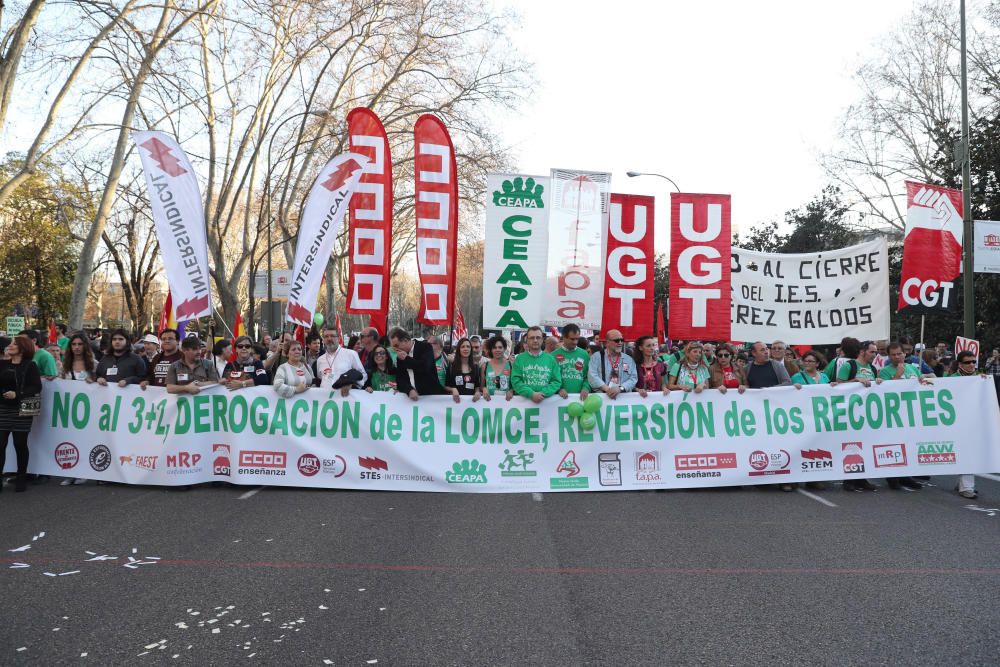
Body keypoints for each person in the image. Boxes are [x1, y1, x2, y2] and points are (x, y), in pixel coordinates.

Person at [0, 335, 42, 492]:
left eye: (14, 344)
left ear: (23, 348)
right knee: (0, 445)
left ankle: (21, 477)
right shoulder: (2, 364)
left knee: (20, 444)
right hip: (3, 408)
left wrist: (17, 393)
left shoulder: (30, 365)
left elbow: (36, 387)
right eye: (10, 343)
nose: (10, 346)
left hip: (22, 409)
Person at [946, 350, 982, 498]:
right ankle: (966, 487)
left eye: (974, 362)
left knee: (970, 452)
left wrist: (984, 381)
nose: (972, 365)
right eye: (968, 362)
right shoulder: (952, 379)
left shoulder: (979, 379)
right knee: (965, 452)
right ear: (960, 364)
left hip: (974, 421)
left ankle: (963, 483)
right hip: (956, 422)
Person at [389, 327, 448, 399]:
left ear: (405, 340)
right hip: (411, 399)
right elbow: (401, 379)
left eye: (396, 346)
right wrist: (409, 390)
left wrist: (406, 359)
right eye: (393, 347)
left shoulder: (425, 347)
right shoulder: (400, 356)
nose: (395, 349)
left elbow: (424, 368)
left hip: (430, 397)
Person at [510, 326, 562, 403]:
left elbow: (556, 381)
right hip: (523, 405)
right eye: (532, 338)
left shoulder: (551, 359)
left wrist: (543, 393)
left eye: (538, 337)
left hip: (546, 403)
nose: (535, 340)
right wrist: (531, 394)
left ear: (542, 340)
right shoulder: (519, 359)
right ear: (527, 340)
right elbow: (515, 381)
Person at [313, 325, 366, 396]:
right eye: (326, 336)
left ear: (338, 338)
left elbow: (363, 375)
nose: (329, 339)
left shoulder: (351, 354)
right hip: (325, 401)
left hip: (345, 399)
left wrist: (351, 385)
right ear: (323, 339)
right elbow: (320, 378)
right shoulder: (320, 360)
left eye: (332, 336)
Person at [588, 328, 637, 398]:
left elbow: (633, 378)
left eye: (621, 340)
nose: (620, 343)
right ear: (607, 342)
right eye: (616, 340)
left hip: (623, 399)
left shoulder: (628, 359)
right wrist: (608, 389)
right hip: (602, 398)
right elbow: (592, 376)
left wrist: (620, 388)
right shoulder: (596, 357)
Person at [553, 324, 590, 400]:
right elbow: (550, 378)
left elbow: (588, 376)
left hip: (580, 398)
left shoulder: (584, 354)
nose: (575, 342)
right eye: (572, 339)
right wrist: (558, 389)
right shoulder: (553, 355)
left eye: (577, 339)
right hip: (559, 400)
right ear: (563, 337)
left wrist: (586, 388)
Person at [446, 338, 483, 402]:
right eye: (463, 347)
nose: (465, 349)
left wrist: (477, 392)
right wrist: (453, 389)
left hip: (471, 404)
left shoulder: (476, 367)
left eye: (468, 347)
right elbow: (446, 386)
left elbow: (477, 386)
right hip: (454, 404)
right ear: (459, 349)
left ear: (471, 349)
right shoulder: (451, 366)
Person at [483, 336, 513, 401]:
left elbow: (515, 385)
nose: (497, 350)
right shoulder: (485, 366)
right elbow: (481, 386)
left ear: (504, 348)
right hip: (489, 404)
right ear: (491, 349)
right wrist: (484, 389)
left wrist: (511, 391)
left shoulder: (511, 365)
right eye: (494, 348)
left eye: (500, 347)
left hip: (507, 403)